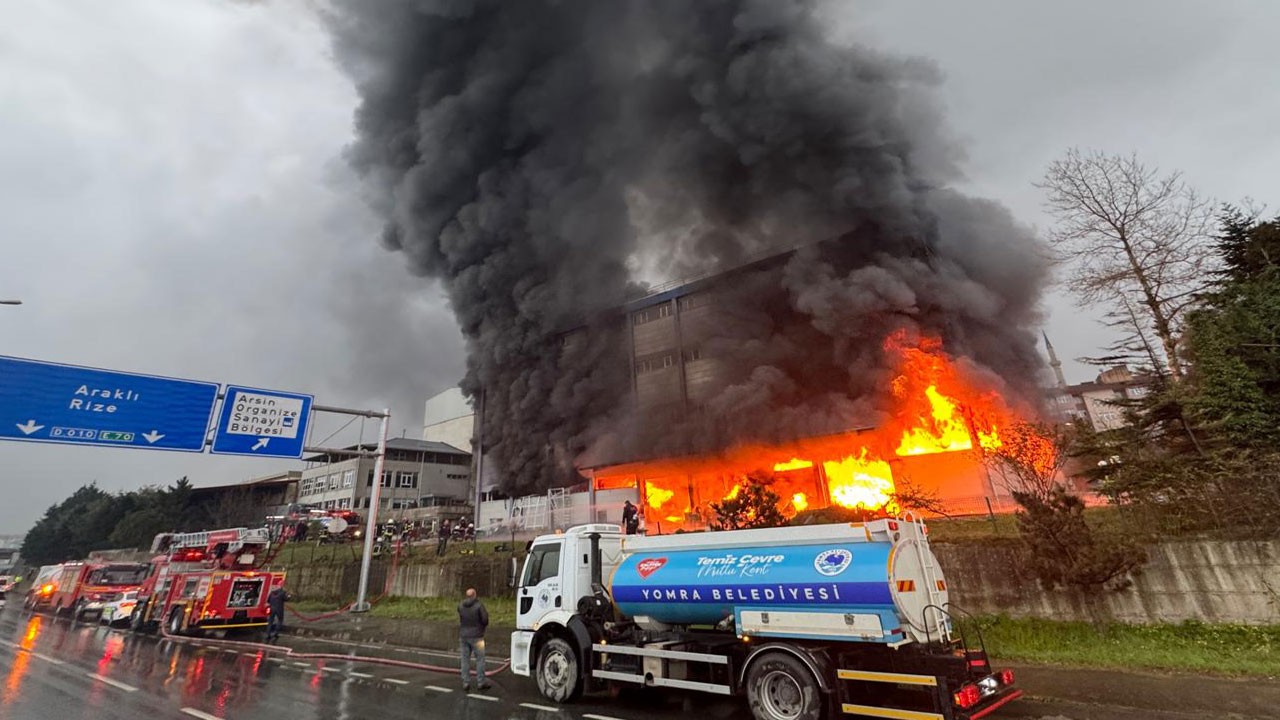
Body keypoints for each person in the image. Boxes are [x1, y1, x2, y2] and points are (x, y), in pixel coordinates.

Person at [458, 588, 490, 692]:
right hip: (478, 637)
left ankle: (465, 682)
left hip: (463, 636)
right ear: (475, 595)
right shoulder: (479, 606)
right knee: (480, 659)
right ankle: (481, 682)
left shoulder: (461, 606)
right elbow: (485, 620)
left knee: (465, 659)